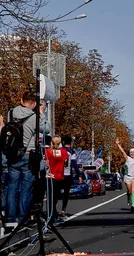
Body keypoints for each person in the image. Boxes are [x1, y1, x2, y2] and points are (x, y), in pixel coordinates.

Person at [4, 87, 51, 226]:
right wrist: (41, 113)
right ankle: (22, 218)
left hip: (12, 154)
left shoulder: (10, 113)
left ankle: (10, 218)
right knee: (26, 187)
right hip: (27, 154)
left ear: (21, 100)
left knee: (12, 187)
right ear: (34, 104)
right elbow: (47, 129)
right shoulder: (34, 117)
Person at [44, 136, 68, 224]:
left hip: (50, 175)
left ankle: (51, 213)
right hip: (59, 175)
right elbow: (65, 163)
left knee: (50, 196)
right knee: (56, 196)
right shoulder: (63, 152)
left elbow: (46, 164)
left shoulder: (48, 151)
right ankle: (53, 213)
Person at [58, 136, 82, 220]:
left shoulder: (59, 150)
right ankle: (63, 210)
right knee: (66, 194)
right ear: (70, 143)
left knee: (56, 193)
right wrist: (79, 174)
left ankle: (53, 210)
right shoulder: (71, 152)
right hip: (67, 175)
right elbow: (74, 165)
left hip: (58, 174)